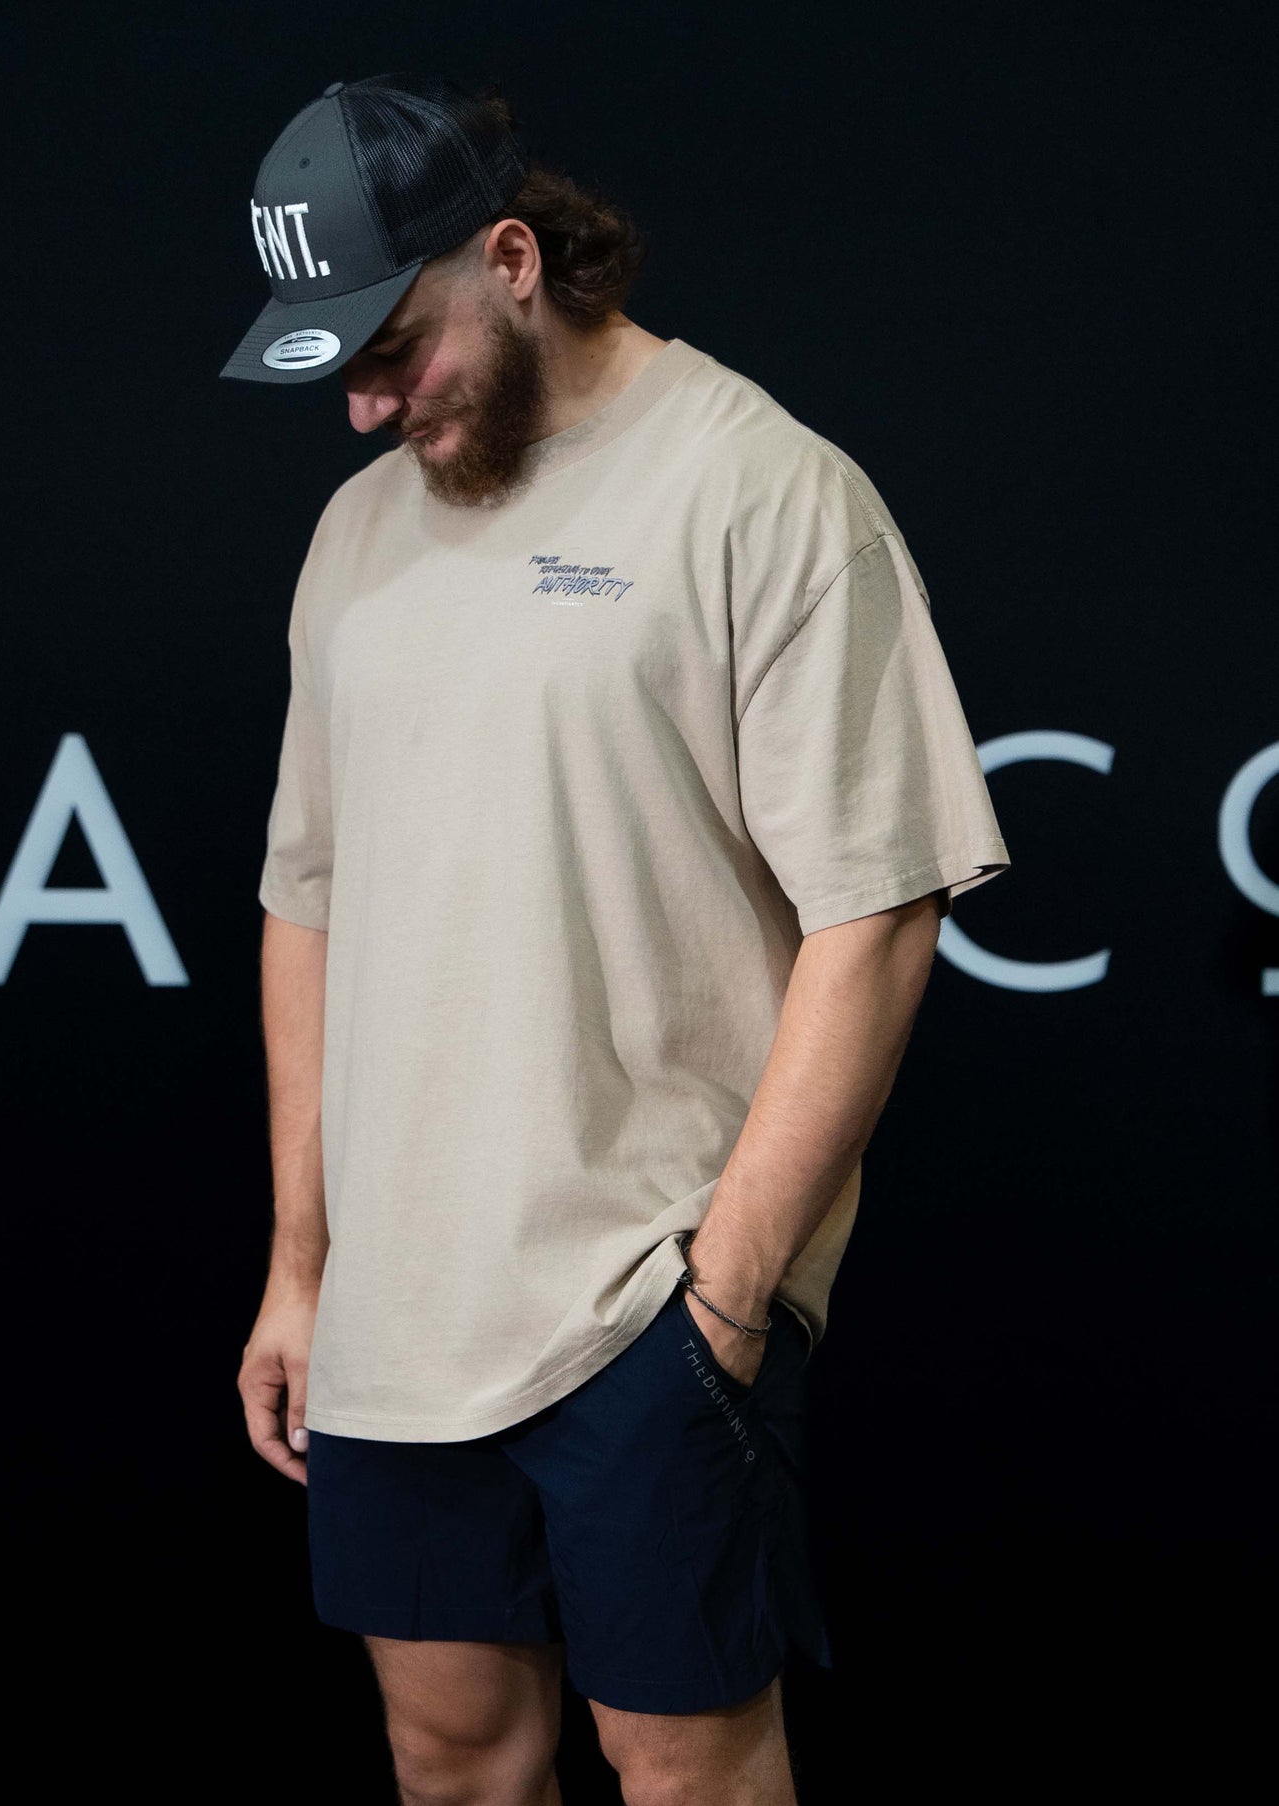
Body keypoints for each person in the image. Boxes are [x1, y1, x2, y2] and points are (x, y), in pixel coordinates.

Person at [227, 71, 1011, 1806]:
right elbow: (311, 899)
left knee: (684, 1767)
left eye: (391, 351)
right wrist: (303, 1260)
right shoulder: (354, 536)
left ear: (513, 258)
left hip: (638, 1298)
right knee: (447, 1754)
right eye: (336, 369)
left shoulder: (762, 488)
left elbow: (875, 915)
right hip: (394, 1309)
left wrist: (724, 1300)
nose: (363, 409)